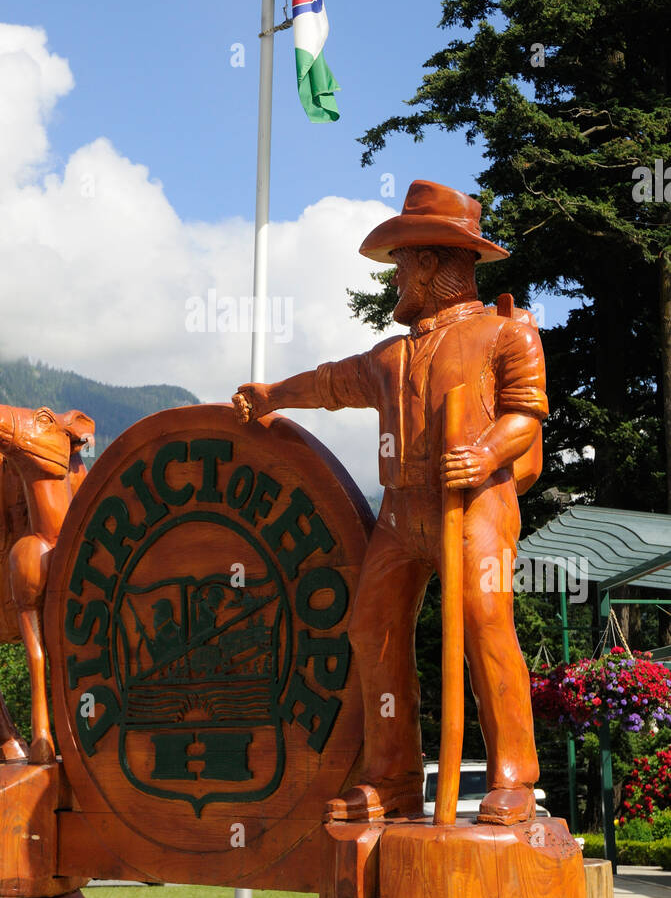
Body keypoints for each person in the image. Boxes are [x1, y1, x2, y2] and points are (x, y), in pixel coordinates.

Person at [232, 181, 546, 825]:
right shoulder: (389, 357)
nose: (397, 276)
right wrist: (272, 395)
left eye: (403, 263)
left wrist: (486, 453)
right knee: (373, 626)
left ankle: (514, 773)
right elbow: (328, 383)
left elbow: (527, 418)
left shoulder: (504, 337)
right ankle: (393, 776)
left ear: (430, 265)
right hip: (402, 516)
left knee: (485, 623)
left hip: (475, 505)